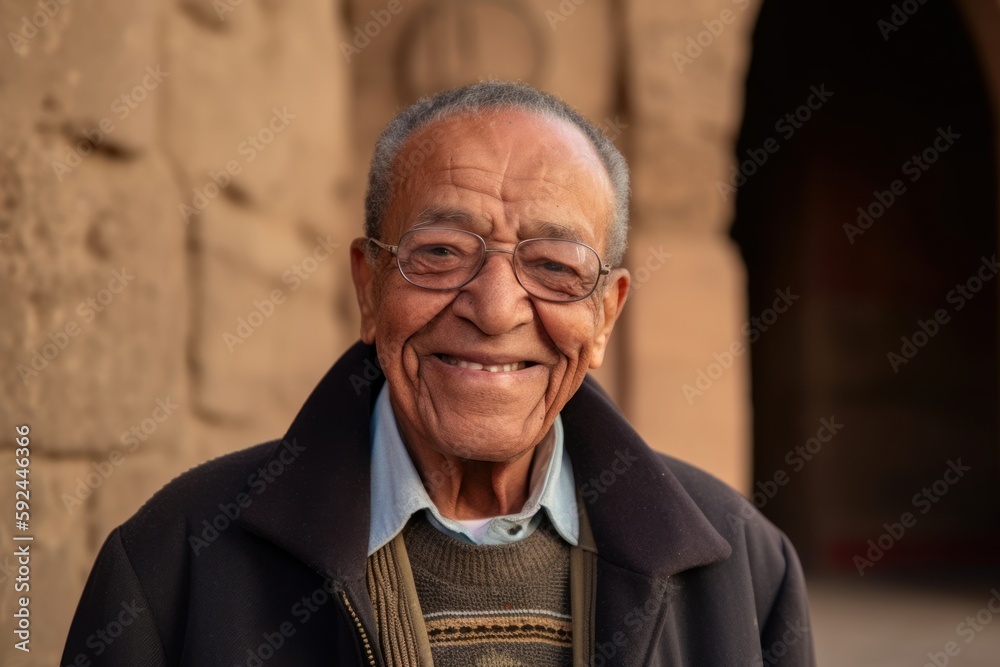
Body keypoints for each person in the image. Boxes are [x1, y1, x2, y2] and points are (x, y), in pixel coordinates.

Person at [62, 81, 815, 666]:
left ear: (605, 316)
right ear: (368, 286)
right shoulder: (176, 558)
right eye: (442, 252)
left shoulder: (742, 567)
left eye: (554, 266)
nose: (493, 309)